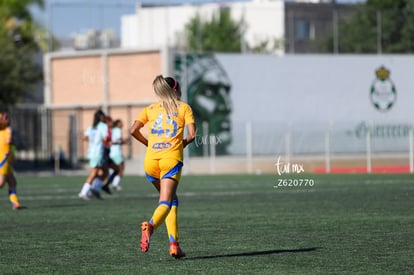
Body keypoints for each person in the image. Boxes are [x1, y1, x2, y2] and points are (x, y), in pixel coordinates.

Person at [130, 75, 196, 259]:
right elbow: (192, 135)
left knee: (172, 200)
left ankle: (174, 245)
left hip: (150, 162)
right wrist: (180, 144)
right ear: (176, 90)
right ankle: (150, 226)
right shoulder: (183, 107)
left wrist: (148, 143)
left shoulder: (150, 109)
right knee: (165, 202)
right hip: (170, 160)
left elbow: (133, 130)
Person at [78, 109, 109, 200]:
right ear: (101, 117)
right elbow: (105, 138)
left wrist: (92, 140)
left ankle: (94, 189)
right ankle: (83, 192)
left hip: (92, 152)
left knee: (104, 172)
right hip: (98, 152)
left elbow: (84, 137)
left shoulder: (92, 127)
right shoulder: (103, 126)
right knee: (94, 173)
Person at [0, 112, 24, 209]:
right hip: (4, 159)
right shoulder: (7, 130)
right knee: (1, 183)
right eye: (5, 118)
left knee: (12, 182)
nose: (7, 120)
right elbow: (9, 141)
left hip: (7, 160)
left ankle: (15, 203)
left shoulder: (4, 131)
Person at [108, 119, 129, 191]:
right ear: (117, 124)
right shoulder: (117, 130)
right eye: (121, 123)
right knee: (121, 169)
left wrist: (123, 142)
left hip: (112, 152)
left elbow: (116, 141)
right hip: (116, 152)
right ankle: (115, 184)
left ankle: (111, 182)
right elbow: (119, 139)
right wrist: (126, 140)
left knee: (115, 169)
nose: (122, 124)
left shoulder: (113, 130)